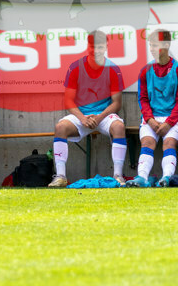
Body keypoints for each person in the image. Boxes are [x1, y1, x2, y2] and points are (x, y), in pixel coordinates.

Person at [49, 30, 128, 188]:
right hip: (82, 116)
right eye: (93, 47)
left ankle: (118, 176)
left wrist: (99, 118)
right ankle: (61, 176)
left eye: (99, 47)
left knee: (119, 126)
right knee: (60, 128)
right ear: (88, 47)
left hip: (104, 116)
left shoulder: (113, 68)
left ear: (105, 47)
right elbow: (68, 101)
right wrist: (83, 118)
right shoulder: (75, 67)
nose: (96, 50)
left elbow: (117, 103)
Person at [133, 29, 178, 188]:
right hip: (151, 118)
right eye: (150, 45)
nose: (151, 49)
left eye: (155, 45)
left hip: (172, 119)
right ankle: (141, 178)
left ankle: (166, 178)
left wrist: (169, 123)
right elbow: (142, 99)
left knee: (169, 143)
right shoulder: (145, 70)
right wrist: (150, 119)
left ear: (167, 45)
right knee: (147, 143)